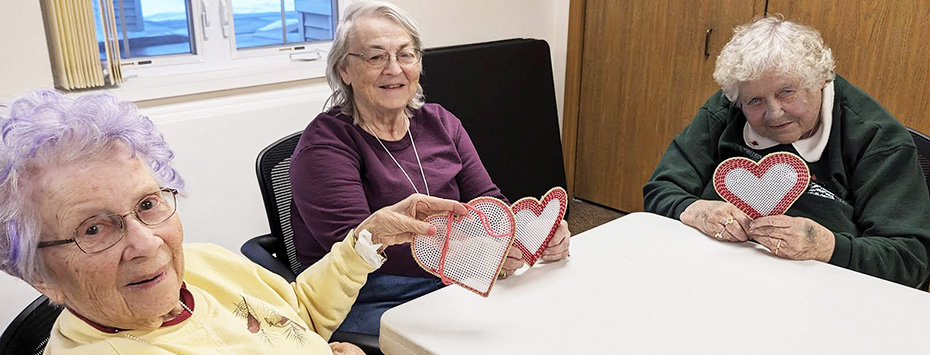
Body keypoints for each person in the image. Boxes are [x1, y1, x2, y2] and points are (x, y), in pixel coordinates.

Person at [0, 89, 468, 355]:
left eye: (147, 205)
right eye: (94, 229)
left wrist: (367, 239)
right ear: (41, 278)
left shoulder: (199, 265)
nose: (147, 244)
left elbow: (293, 313)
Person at [289, 0, 571, 335]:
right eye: (376, 56)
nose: (394, 69)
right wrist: (476, 253)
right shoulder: (325, 144)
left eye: (406, 54)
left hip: (456, 277)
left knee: (550, 316)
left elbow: (488, 200)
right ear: (344, 70)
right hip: (372, 294)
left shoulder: (441, 122)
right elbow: (356, 249)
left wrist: (529, 232)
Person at [643, 17, 930, 287]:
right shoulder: (727, 107)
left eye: (786, 92)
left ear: (821, 79)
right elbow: (661, 189)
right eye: (755, 101)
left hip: (827, 290)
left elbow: (909, 258)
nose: (774, 113)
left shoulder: (878, 138)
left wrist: (825, 245)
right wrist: (698, 211)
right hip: (712, 271)